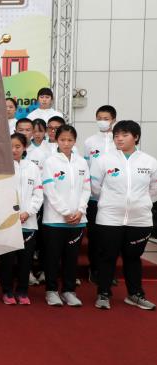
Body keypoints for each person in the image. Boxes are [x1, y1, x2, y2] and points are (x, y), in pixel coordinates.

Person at [91, 120, 157, 311]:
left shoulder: (149, 161)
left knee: (133, 258)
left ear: (136, 137)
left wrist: (140, 203)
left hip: (140, 219)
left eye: (124, 135)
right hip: (109, 218)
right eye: (116, 135)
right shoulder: (103, 160)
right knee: (107, 257)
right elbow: (95, 188)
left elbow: (154, 189)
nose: (119, 138)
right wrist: (112, 202)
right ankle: (103, 293)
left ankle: (135, 294)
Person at [41, 125, 90, 307]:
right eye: (62, 139)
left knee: (71, 258)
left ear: (75, 141)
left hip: (77, 221)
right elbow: (49, 190)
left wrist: (80, 210)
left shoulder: (81, 162)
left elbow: (86, 189)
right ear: (56, 140)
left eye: (70, 140)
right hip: (54, 220)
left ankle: (69, 291)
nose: (66, 143)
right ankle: (51, 291)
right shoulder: (50, 162)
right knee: (52, 258)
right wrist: (65, 212)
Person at [0, 133, 43, 305]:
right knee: (8, 261)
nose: (14, 150)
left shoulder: (33, 168)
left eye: (18, 146)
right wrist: (11, 215)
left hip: (28, 222)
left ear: (24, 147)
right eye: (10, 146)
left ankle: (23, 291)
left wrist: (28, 212)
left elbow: (38, 194)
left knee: (26, 260)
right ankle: (7, 291)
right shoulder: (1, 168)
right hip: (7, 223)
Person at [84, 105, 118, 283]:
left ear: (113, 120)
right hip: (94, 197)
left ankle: (109, 272)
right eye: (99, 118)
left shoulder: (118, 141)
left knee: (112, 237)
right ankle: (95, 269)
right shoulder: (90, 142)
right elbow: (86, 167)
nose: (102, 121)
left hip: (115, 197)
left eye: (106, 118)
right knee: (95, 235)